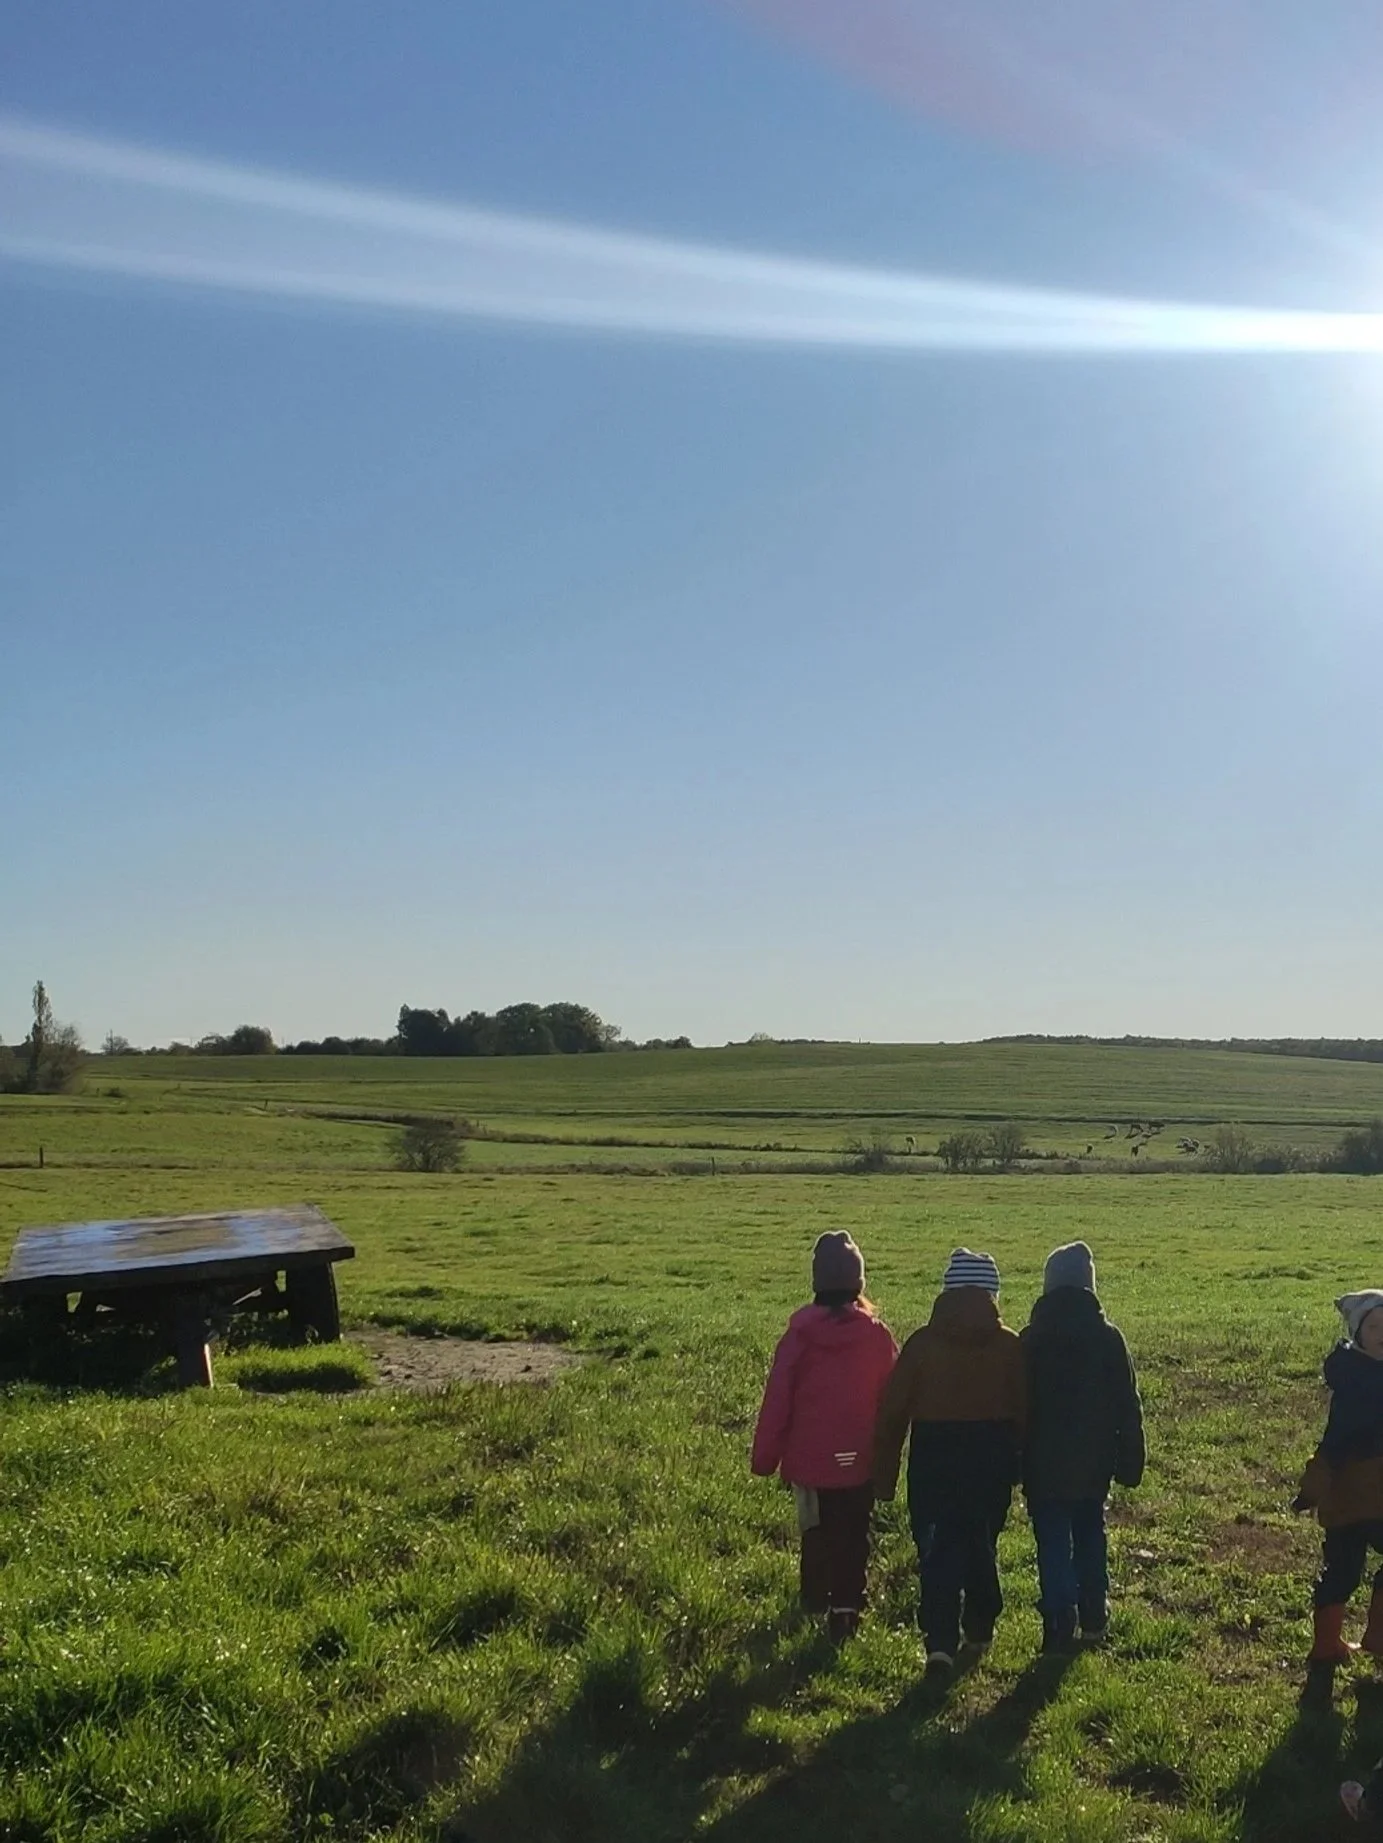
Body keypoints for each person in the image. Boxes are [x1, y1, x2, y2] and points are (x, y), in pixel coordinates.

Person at [873, 1248, 1025, 1673]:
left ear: (946, 1292)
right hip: (989, 1457)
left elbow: (893, 1413)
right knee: (981, 1540)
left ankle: (939, 1640)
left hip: (934, 1456)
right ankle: (980, 1624)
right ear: (993, 1293)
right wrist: (1021, 1468)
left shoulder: (922, 1344)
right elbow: (1024, 1410)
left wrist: (882, 1478)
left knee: (938, 1547)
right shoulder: (1009, 1346)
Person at [751, 1231, 898, 1643]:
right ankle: (847, 1606)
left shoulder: (798, 1338)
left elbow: (777, 1400)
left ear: (817, 1283)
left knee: (816, 1532)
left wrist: (765, 1458)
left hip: (810, 1462)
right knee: (855, 1533)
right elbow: (891, 1395)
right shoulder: (877, 1336)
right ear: (859, 1283)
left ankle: (816, 1597)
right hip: (861, 1460)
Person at [1020, 1240, 1144, 1653]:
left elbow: (1017, 1405)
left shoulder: (1032, 1339)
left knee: (1052, 1539)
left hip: (1043, 1461)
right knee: (1091, 1533)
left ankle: (1058, 1616)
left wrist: (1013, 1460)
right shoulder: (1108, 1338)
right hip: (1094, 1463)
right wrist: (1130, 1459)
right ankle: (1094, 1613)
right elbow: (1128, 1403)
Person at [1294, 1291, 1383, 1666]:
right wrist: (1310, 1491)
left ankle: (1377, 1637)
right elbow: (1333, 1442)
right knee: (1343, 1573)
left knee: (1344, 1571)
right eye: (1375, 1327)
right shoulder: (1354, 1385)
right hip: (1350, 1498)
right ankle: (1326, 1645)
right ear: (1358, 1333)